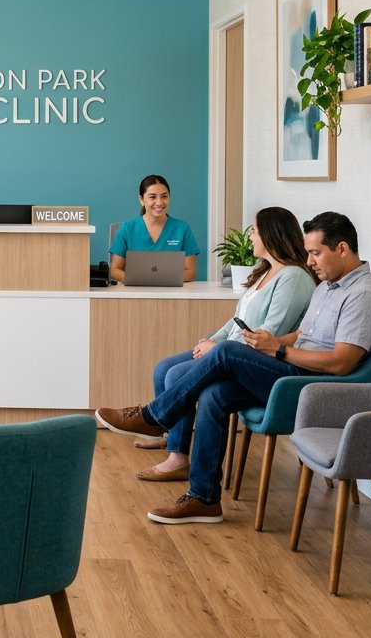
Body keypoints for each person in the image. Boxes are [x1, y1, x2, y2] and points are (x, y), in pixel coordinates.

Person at [95, 211, 371, 525]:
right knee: (214, 394)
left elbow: (341, 363)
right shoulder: (328, 287)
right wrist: (275, 340)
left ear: (342, 249)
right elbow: (305, 335)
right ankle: (204, 498)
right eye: (308, 252)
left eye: (316, 253)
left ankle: (154, 416)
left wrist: (278, 349)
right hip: (292, 368)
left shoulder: (362, 296)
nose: (310, 260)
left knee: (225, 352)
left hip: (310, 386)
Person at [132, 207, 319, 483]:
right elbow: (237, 320)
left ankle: (175, 453)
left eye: (254, 230)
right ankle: (170, 437)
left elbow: (268, 336)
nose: (251, 236)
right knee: (164, 368)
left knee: (175, 374)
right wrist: (214, 340)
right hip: (230, 348)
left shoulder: (293, 278)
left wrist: (219, 349)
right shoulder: (264, 270)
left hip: (253, 359)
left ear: (270, 234)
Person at [109, 174, 201, 283]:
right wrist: (138, 280)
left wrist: (158, 279)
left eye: (164, 196)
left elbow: (191, 272)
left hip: (172, 294)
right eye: (152, 197)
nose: (159, 202)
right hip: (136, 292)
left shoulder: (182, 228)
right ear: (141, 199)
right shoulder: (127, 228)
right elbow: (114, 270)